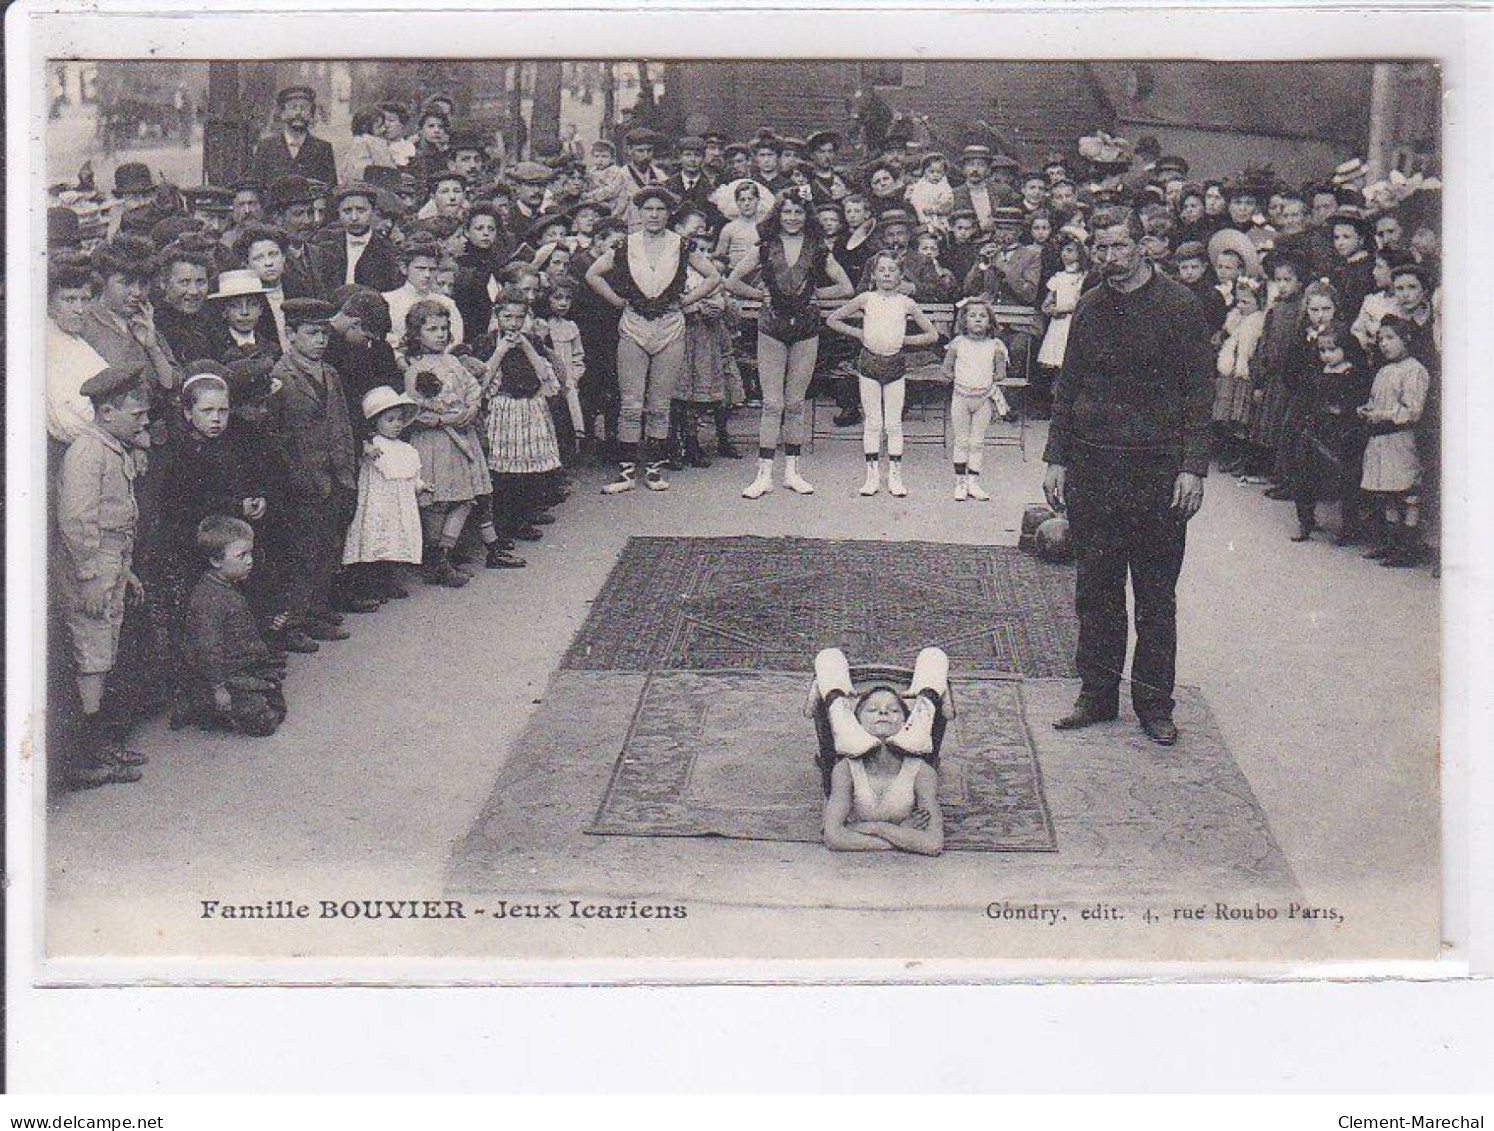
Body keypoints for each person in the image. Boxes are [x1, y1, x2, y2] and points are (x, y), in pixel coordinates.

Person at [1042, 208, 1214, 747]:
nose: (1109, 257)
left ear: (1144, 246)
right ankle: (1096, 695)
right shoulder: (1090, 306)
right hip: (1095, 468)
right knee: (1096, 589)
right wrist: (1057, 457)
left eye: (1119, 247)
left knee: (1156, 595)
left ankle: (1154, 705)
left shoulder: (1181, 307)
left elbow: (1199, 394)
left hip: (1158, 472)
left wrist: (1192, 468)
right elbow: (1068, 385)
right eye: (1101, 248)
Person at [584, 186, 722, 495]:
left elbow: (713, 277)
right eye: (648, 209)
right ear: (639, 213)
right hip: (634, 325)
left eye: (660, 209)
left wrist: (687, 301)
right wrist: (616, 300)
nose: (654, 215)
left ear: (669, 213)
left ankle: (655, 469)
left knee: (660, 403)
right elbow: (593, 273)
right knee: (631, 403)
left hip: (670, 326)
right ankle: (626, 471)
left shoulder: (682, 245)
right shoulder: (625, 245)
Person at [55, 364, 152, 788]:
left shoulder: (112, 445)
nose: (144, 421)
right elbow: (77, 521)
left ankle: (101, 747)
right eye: (137, 414)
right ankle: (85, 758)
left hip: (111, 561)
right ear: (108, 411)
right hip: (91, 566)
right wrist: (92, 576)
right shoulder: (87, 452)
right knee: (91, 657)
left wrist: (124, 571)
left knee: (105, 651)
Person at [724, 193, 854, 499]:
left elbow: (846, 287)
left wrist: (813, 296)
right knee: (773, 404)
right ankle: (763, 475)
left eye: (798, 211)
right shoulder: (765, 247)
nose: (792, 217)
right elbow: (732, 282)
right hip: (771, 327)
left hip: (806, 328)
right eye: (787, 212)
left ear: (806, 215)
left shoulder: (817, 248)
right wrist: (762, 296)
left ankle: (792, 473)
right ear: (778, 215)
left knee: (795, 403)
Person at [269, 298, 358, 643]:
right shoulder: (280, 376)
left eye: (323, 333)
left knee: (327, 547)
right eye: (311, 333)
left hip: (334, 475)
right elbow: (277, 435)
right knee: (301, 553)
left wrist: (347, 471)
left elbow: (342, 425)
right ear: (291, 335)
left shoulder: (330, 373)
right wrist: (291, 476)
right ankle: (293, 623)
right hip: (302, 480)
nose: (320, 340)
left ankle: (317, 610)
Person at [826, 251, 940, 498]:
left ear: (901, 275)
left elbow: (932, 335)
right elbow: (833, 319)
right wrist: (858, 334)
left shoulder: (907, 303)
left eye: (892, 270)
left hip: (895, 366)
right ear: (874, 274)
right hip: (869, 365)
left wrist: (905, 340)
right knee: (873, 422)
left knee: (893, 423)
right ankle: (872, 475)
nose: (887, 274)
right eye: (882, 270)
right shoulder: (866, 299)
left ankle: (895, 476)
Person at [400, 301, 497, 585]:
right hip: (436, 442)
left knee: (465, 498)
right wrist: (445, 420)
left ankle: (445, 552)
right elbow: (416, 411)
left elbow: (472, 387)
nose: (440, 334)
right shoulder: (415, 371)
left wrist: (470, 409)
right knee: (438, 502)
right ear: (417, 334)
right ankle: (435, 559)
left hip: (462, 437)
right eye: (432, 329)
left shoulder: (453, 362)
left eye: (444, 328)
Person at [816, 646, 946, 856]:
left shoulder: (922, 772)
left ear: (906, 723)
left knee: (934, 655)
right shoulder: (845, 770)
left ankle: (928, 702)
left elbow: (932, 843)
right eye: (872, 709)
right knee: (829, 656)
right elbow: (833, 837)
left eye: (894, 710)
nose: (884, 712)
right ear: (858, 722)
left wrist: (875, 828)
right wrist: (902, 836)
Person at [176, 516, 287, 736]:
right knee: (265, 723)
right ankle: (203, 702)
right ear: (216, 561)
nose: (250, 561)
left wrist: (267, 625)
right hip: (225, 673)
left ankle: (217, 702)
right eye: (241, 555)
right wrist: (219, 689)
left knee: (277, 708)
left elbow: (238, 627)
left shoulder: (229, 585)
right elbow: (208, 650)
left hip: (243, 665)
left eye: (250, 553)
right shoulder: (208, 598)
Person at [480, 286, 562, 550]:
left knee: (529, 468)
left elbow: (545, 374)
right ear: (497, 316)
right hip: (503, 407)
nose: (513, 324)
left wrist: (526, 345)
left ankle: (523, 518)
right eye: (508, 317)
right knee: (504, 472)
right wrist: (501, 350)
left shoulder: (533, 342)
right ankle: (503, 523)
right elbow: (481, 380)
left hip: (529, 406)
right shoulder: (487, 342)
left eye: (519, 317)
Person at [341, 386, 431, 603]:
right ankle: (371, 586)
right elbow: (360, 456)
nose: (396, 425)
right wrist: (365, 447)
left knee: (394, 540)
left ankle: (389, 581)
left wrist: (420, 485)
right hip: (378, 503)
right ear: (375, 422)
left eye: (399, 420)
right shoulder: (373, 447)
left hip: (398, 505)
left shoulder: (405, 449)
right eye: (390, 420)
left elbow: (409, 475)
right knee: (376, 539)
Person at [1357, 316, 1432, 567]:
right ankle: (1391, 543)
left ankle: (1408, 548)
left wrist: (1380, 415)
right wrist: (1367, 409)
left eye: (1391, 338)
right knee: (1386, 492)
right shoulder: (1383, 370)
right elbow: (1377, 400)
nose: (1384, 344)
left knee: (1406, 493)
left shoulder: (1414, 370)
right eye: (1381, 339)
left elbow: (1412, 411)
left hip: (1400, 438)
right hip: (1380, 440)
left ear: (1406, 339)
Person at [1289, 324, 1368, 544]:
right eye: (1322, 351)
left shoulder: (1352, 374)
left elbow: (1356, 402)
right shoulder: (1317, 373)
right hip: (1316, 430)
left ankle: (1348, 527)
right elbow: (1307, 399)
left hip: (1341, 432)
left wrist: (1343, 410)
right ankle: (1305, 521)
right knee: (1305, 475)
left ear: (1345, 348)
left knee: (1345, 480)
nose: (1326, 355)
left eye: (1332, 350)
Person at [943, 297, 1012, 502]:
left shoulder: (995, 345)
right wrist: (962, 379)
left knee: (977, 441)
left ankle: (973, 482)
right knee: (962, 440)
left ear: (990, 322)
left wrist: (994, 367)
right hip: (961, 398)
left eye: (983, 316)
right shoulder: (957, 344)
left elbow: (1001, 375)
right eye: (972, 316)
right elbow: (946, 369)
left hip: (983, 400)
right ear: (964, 321)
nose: (978, 320)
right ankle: (960, 483)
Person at [312, 182, 404, 293]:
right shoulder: (323, 244)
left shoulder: (388, 251)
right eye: (347, 211)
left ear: (373, 211)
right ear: (338, 212)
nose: (354, 217)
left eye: (361, 210)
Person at [383, 239, 464, 356]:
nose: (427, 275)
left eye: (432, 269)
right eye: (420, 269)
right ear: (404, 268)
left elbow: (456, 341)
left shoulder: (447, 303)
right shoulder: (388, 300)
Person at [250, 85, 338, 192]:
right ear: (282, 113)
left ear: (311, 114)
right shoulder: (266, 147)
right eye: (293, 107)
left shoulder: (323, 148)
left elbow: (330, 190)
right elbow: (257, 188)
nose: (298, 113)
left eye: (304, 108)